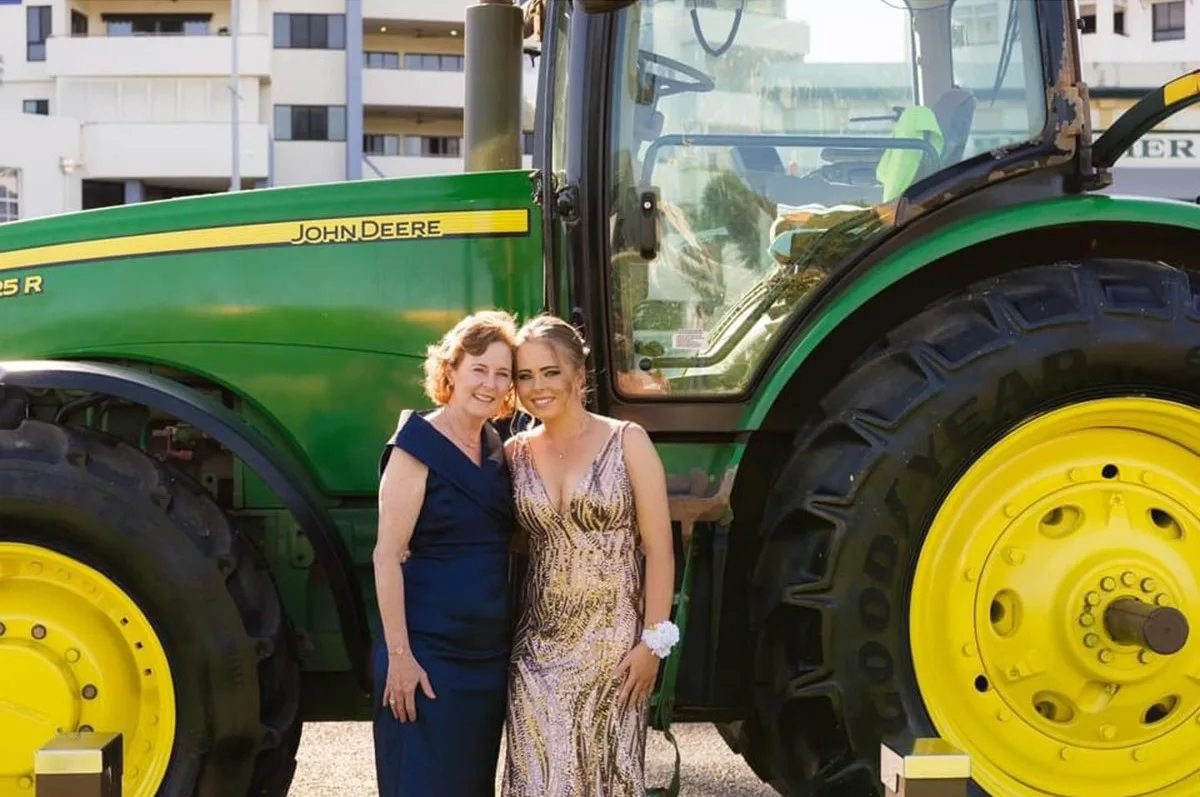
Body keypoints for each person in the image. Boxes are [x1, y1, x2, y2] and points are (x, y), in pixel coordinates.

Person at [501, 313, 678, 797]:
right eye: (525, 375)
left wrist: (654, 646)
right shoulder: (513, 453)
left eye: (550, 372)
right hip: (537, 651)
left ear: (579, 376)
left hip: (615, 653)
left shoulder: (627, 441)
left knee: (610, 782)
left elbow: (659, 550)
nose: (538, 387)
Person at [372, 310, 519, 797]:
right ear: (450, 369)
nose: (491, 384)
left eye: (502, 374)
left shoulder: (497, 448)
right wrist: (400, 658)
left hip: (486, 662)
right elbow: (387, 555)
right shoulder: (415, 448)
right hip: (427, 659)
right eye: (480, 369)